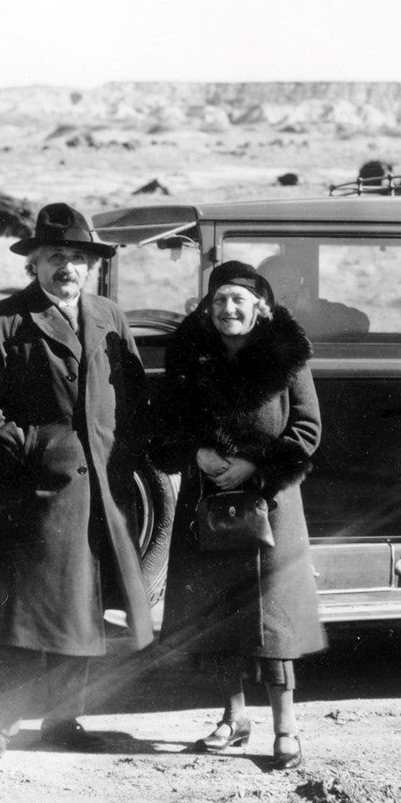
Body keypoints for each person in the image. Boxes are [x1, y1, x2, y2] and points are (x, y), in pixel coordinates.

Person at [0, 202, 153, 760]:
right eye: (55, 257)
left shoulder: (109, 317)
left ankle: (64, 722)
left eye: (76, 258)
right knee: (25, 609)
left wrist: (124, 457)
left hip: (101, 486)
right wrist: (32, 447)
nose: (66, 267)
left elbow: (133, 394)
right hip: (36, 489)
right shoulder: (4, 320)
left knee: (82, 604)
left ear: (91, 266)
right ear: (35, 265)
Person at [149, 261, 326, 771]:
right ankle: (233, 717)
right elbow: (165, 427)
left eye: (239, 302)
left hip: (270, 505)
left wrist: (254, 464)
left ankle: (286, 728)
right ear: (208, 308)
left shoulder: (287, 361)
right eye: (220, 301)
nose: (228, 310)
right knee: (217, 614)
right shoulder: (189, 360)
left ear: (260, 310)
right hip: (210, 507)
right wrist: (197, 454)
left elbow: (308, 431)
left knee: (273, 622)